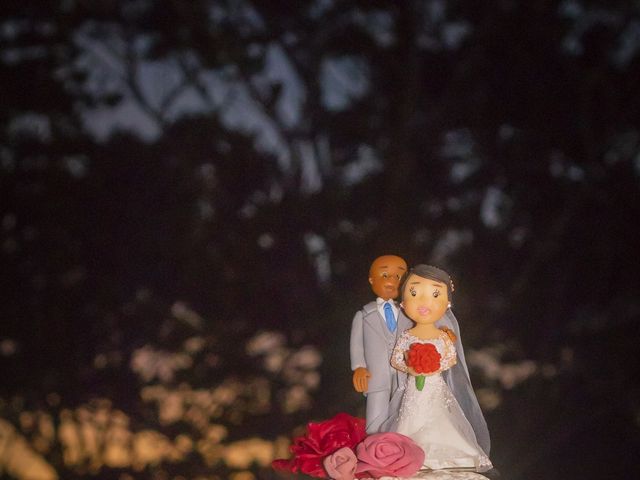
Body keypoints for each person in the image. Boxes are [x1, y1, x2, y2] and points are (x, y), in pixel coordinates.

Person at [387, 264, 493, 472]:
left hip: (435, 386)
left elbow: (450, 359)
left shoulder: (442, 336)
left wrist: (433, 364)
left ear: (448, 303)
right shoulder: (407, 336)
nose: (425, 302)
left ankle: (447, 455)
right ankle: (409, 453)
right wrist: (411, 366)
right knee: (410, 417)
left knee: (440, 416)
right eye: (414, 293)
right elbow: (396, 359)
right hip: (413, 388)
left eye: (435, 294)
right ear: (403, 302)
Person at [350, 254, 411, 433]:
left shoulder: (408, 314)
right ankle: (373, 449)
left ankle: (401, 447)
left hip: (404, 374)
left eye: (399, 276)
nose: (392, 280)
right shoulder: (364, 315)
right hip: (376, 374)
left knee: (403, 414)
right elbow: (356, 345)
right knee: (376, 415)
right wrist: (359, 367)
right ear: (371, 279)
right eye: (385, 275)